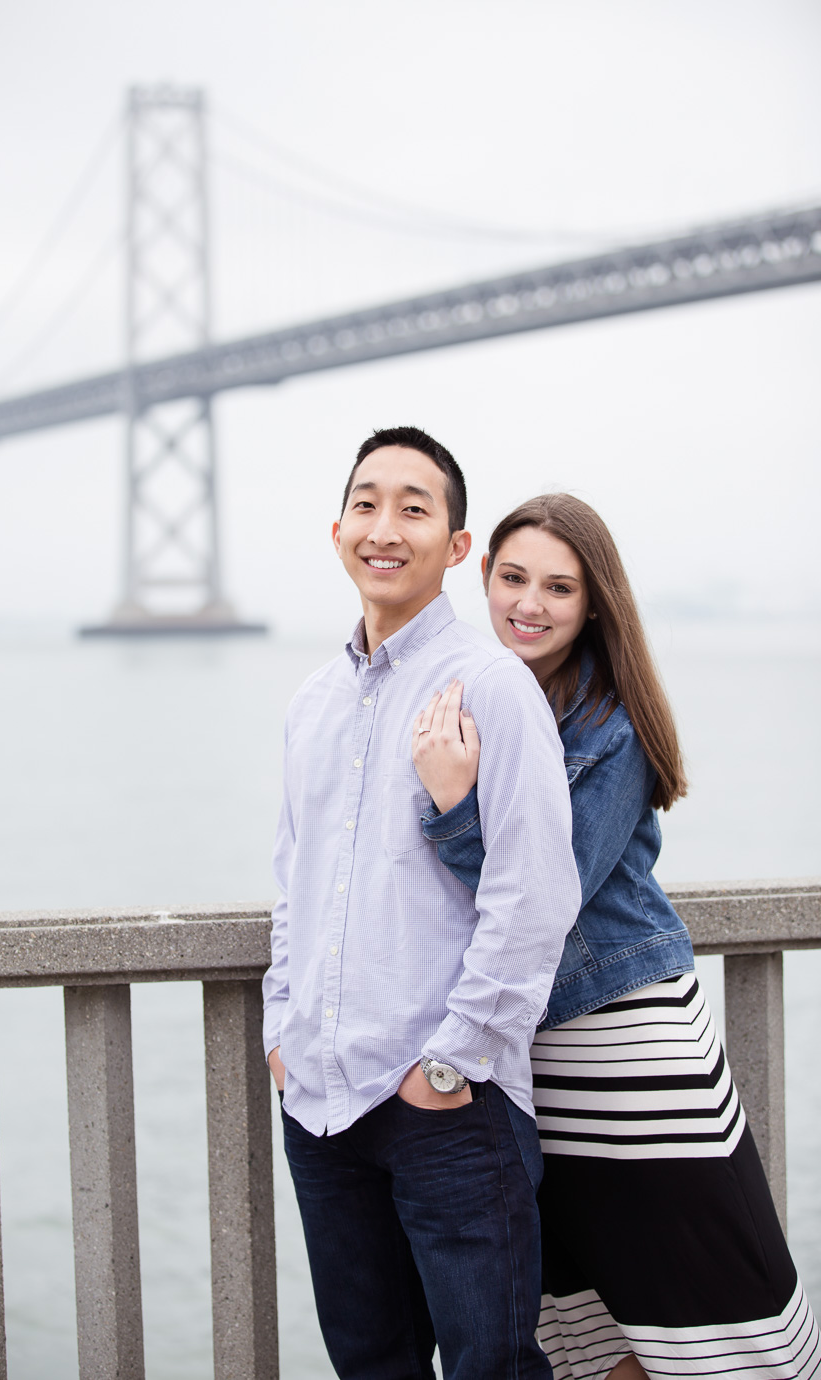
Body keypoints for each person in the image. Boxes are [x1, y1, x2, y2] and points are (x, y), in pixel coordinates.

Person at [412, 492, 820, 1380]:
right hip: (540, 1059)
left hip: (632, 1049)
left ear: (595, 602)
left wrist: (453, 807)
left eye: (559, 587)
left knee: (706, 1313)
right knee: (597, 1328)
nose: (530, 602)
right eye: (513, 578)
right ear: (483, 577)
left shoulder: (609, 724)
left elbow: (542, 894)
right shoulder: (494, 702)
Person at [263, 428, 581, 1380]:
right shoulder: (312, 703)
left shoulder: (493, 686)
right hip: (321, 1104)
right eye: (367, 504)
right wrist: (282, 1030)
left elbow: (536, 894)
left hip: (448, 1106)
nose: (384, 527)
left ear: (455, 548)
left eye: (414, 507)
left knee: (492, 1368)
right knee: (373, 1364)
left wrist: (451, 1065)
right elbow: (295, 884)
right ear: (336, 531)